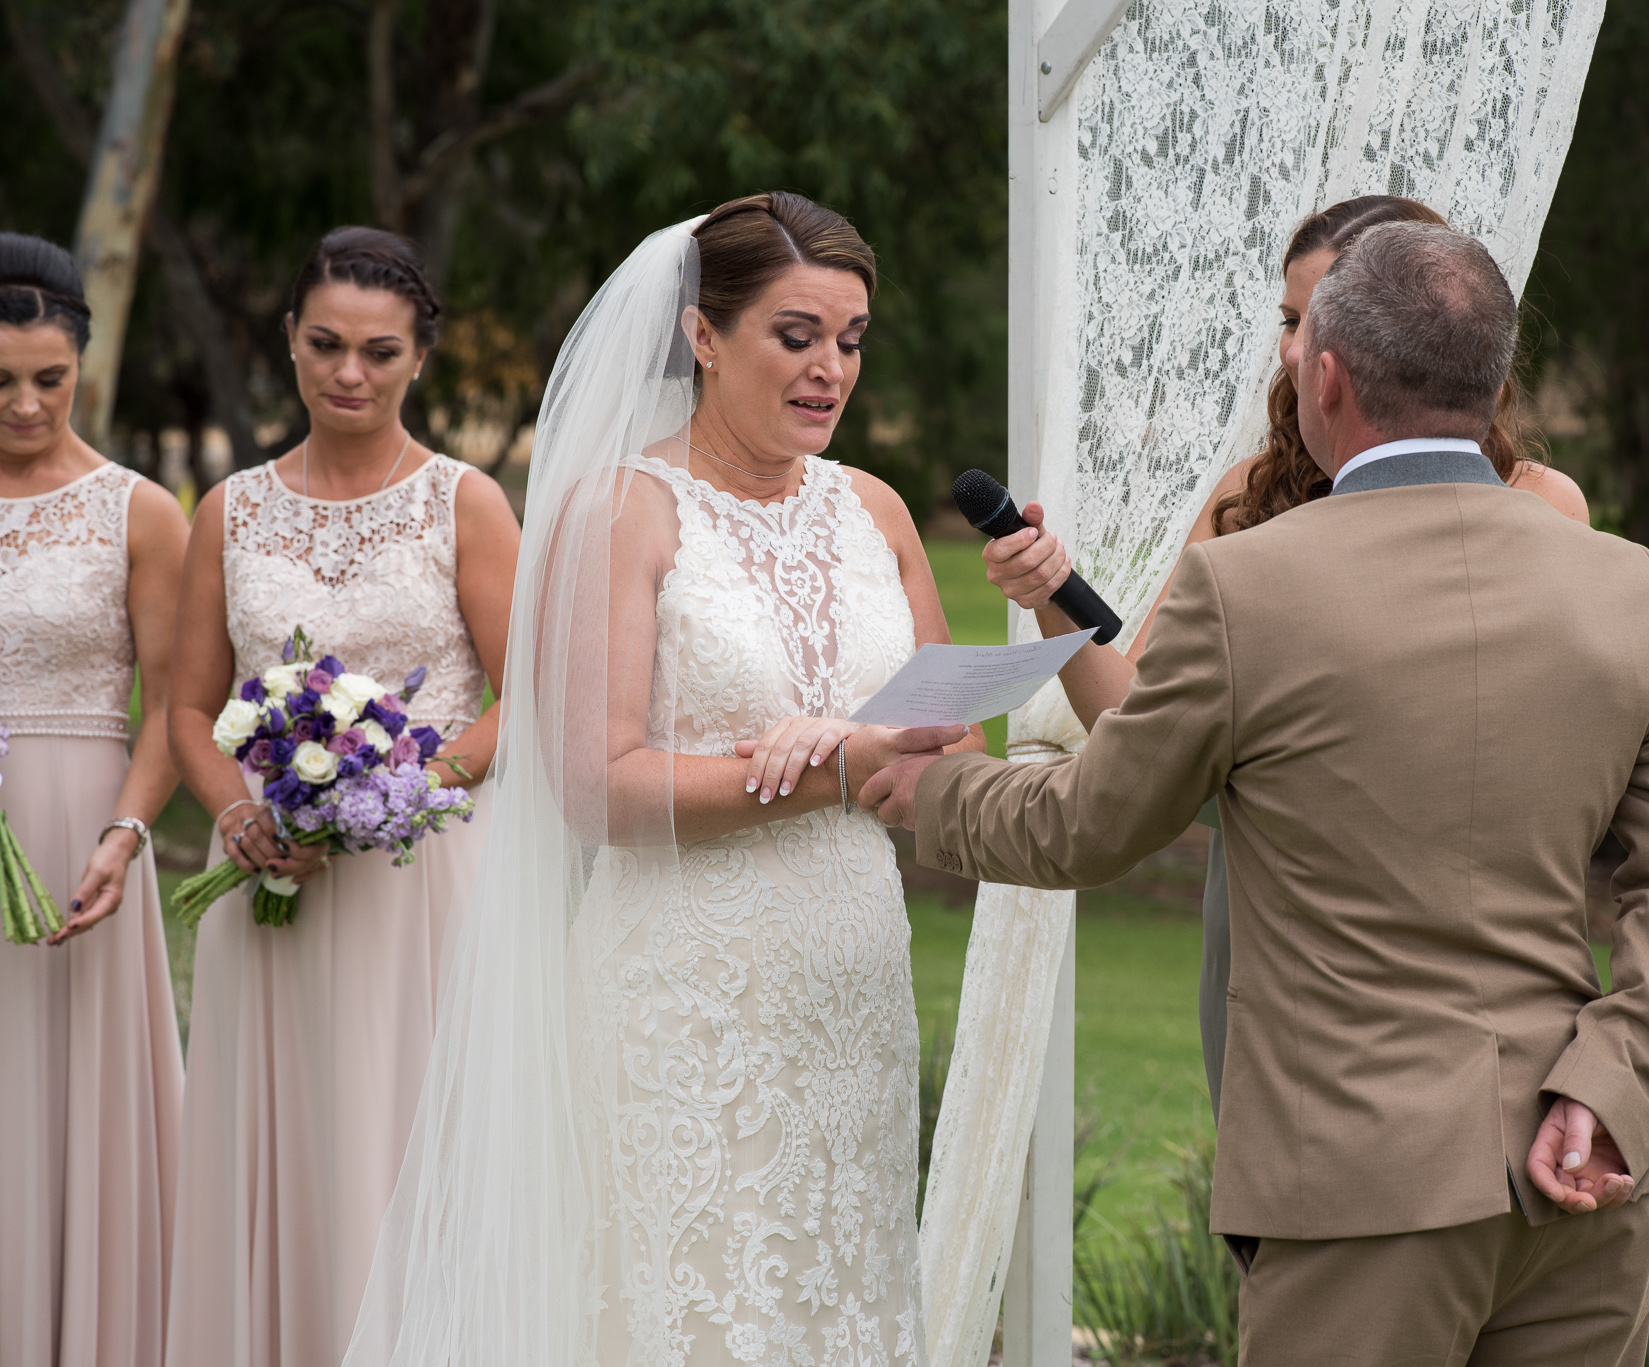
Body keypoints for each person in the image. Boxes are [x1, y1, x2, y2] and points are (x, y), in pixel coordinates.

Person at [866, 221, 1649, 1364]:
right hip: (1579, 1180)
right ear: (1488, 381)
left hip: (1361, 1189)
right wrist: (1615, 1083)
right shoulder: (1616, 581)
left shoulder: (1249, 585)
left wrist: (934, 788)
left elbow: (1096, 820)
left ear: (1323, 376)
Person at [342, 193, 973, 1367]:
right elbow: (594, 783)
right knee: (695, 1310)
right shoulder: (623, 509)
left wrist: (876, 747)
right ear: (701, 336)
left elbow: (947, 752)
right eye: (794, 334)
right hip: (687, 1000)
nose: (828, 367)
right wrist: (823, 769)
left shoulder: (876, 510)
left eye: (849, 339)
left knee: (838, 1296)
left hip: (852, 994)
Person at [984, 195, 1590, 1116]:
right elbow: (1134, 720)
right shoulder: (1251, 495)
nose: (1293, 350)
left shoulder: (1538, 505)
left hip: (1461, 913)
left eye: (1314, 322)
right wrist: (1053, 596)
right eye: (1288, 320)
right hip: (1268, 923)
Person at [164, 227, 520, 1367]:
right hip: (271, 885)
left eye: (377, 351)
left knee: (403, 1143)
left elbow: (529, 701)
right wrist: (240, 811)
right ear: (290, 341)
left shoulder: (463, 503)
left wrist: (404, 788)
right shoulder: (228, 511)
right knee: (286, 1154)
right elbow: (184, 709)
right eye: (324, 345)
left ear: (421, 357)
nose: (348, 374)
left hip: (426, 888)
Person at [0, 232, 188, 1367]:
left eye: (47, 378)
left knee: (72, 1102)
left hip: (80, 828)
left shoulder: (140, 512)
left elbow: (170, 702)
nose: (24, 402)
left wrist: (125, 835)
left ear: (82, 363)